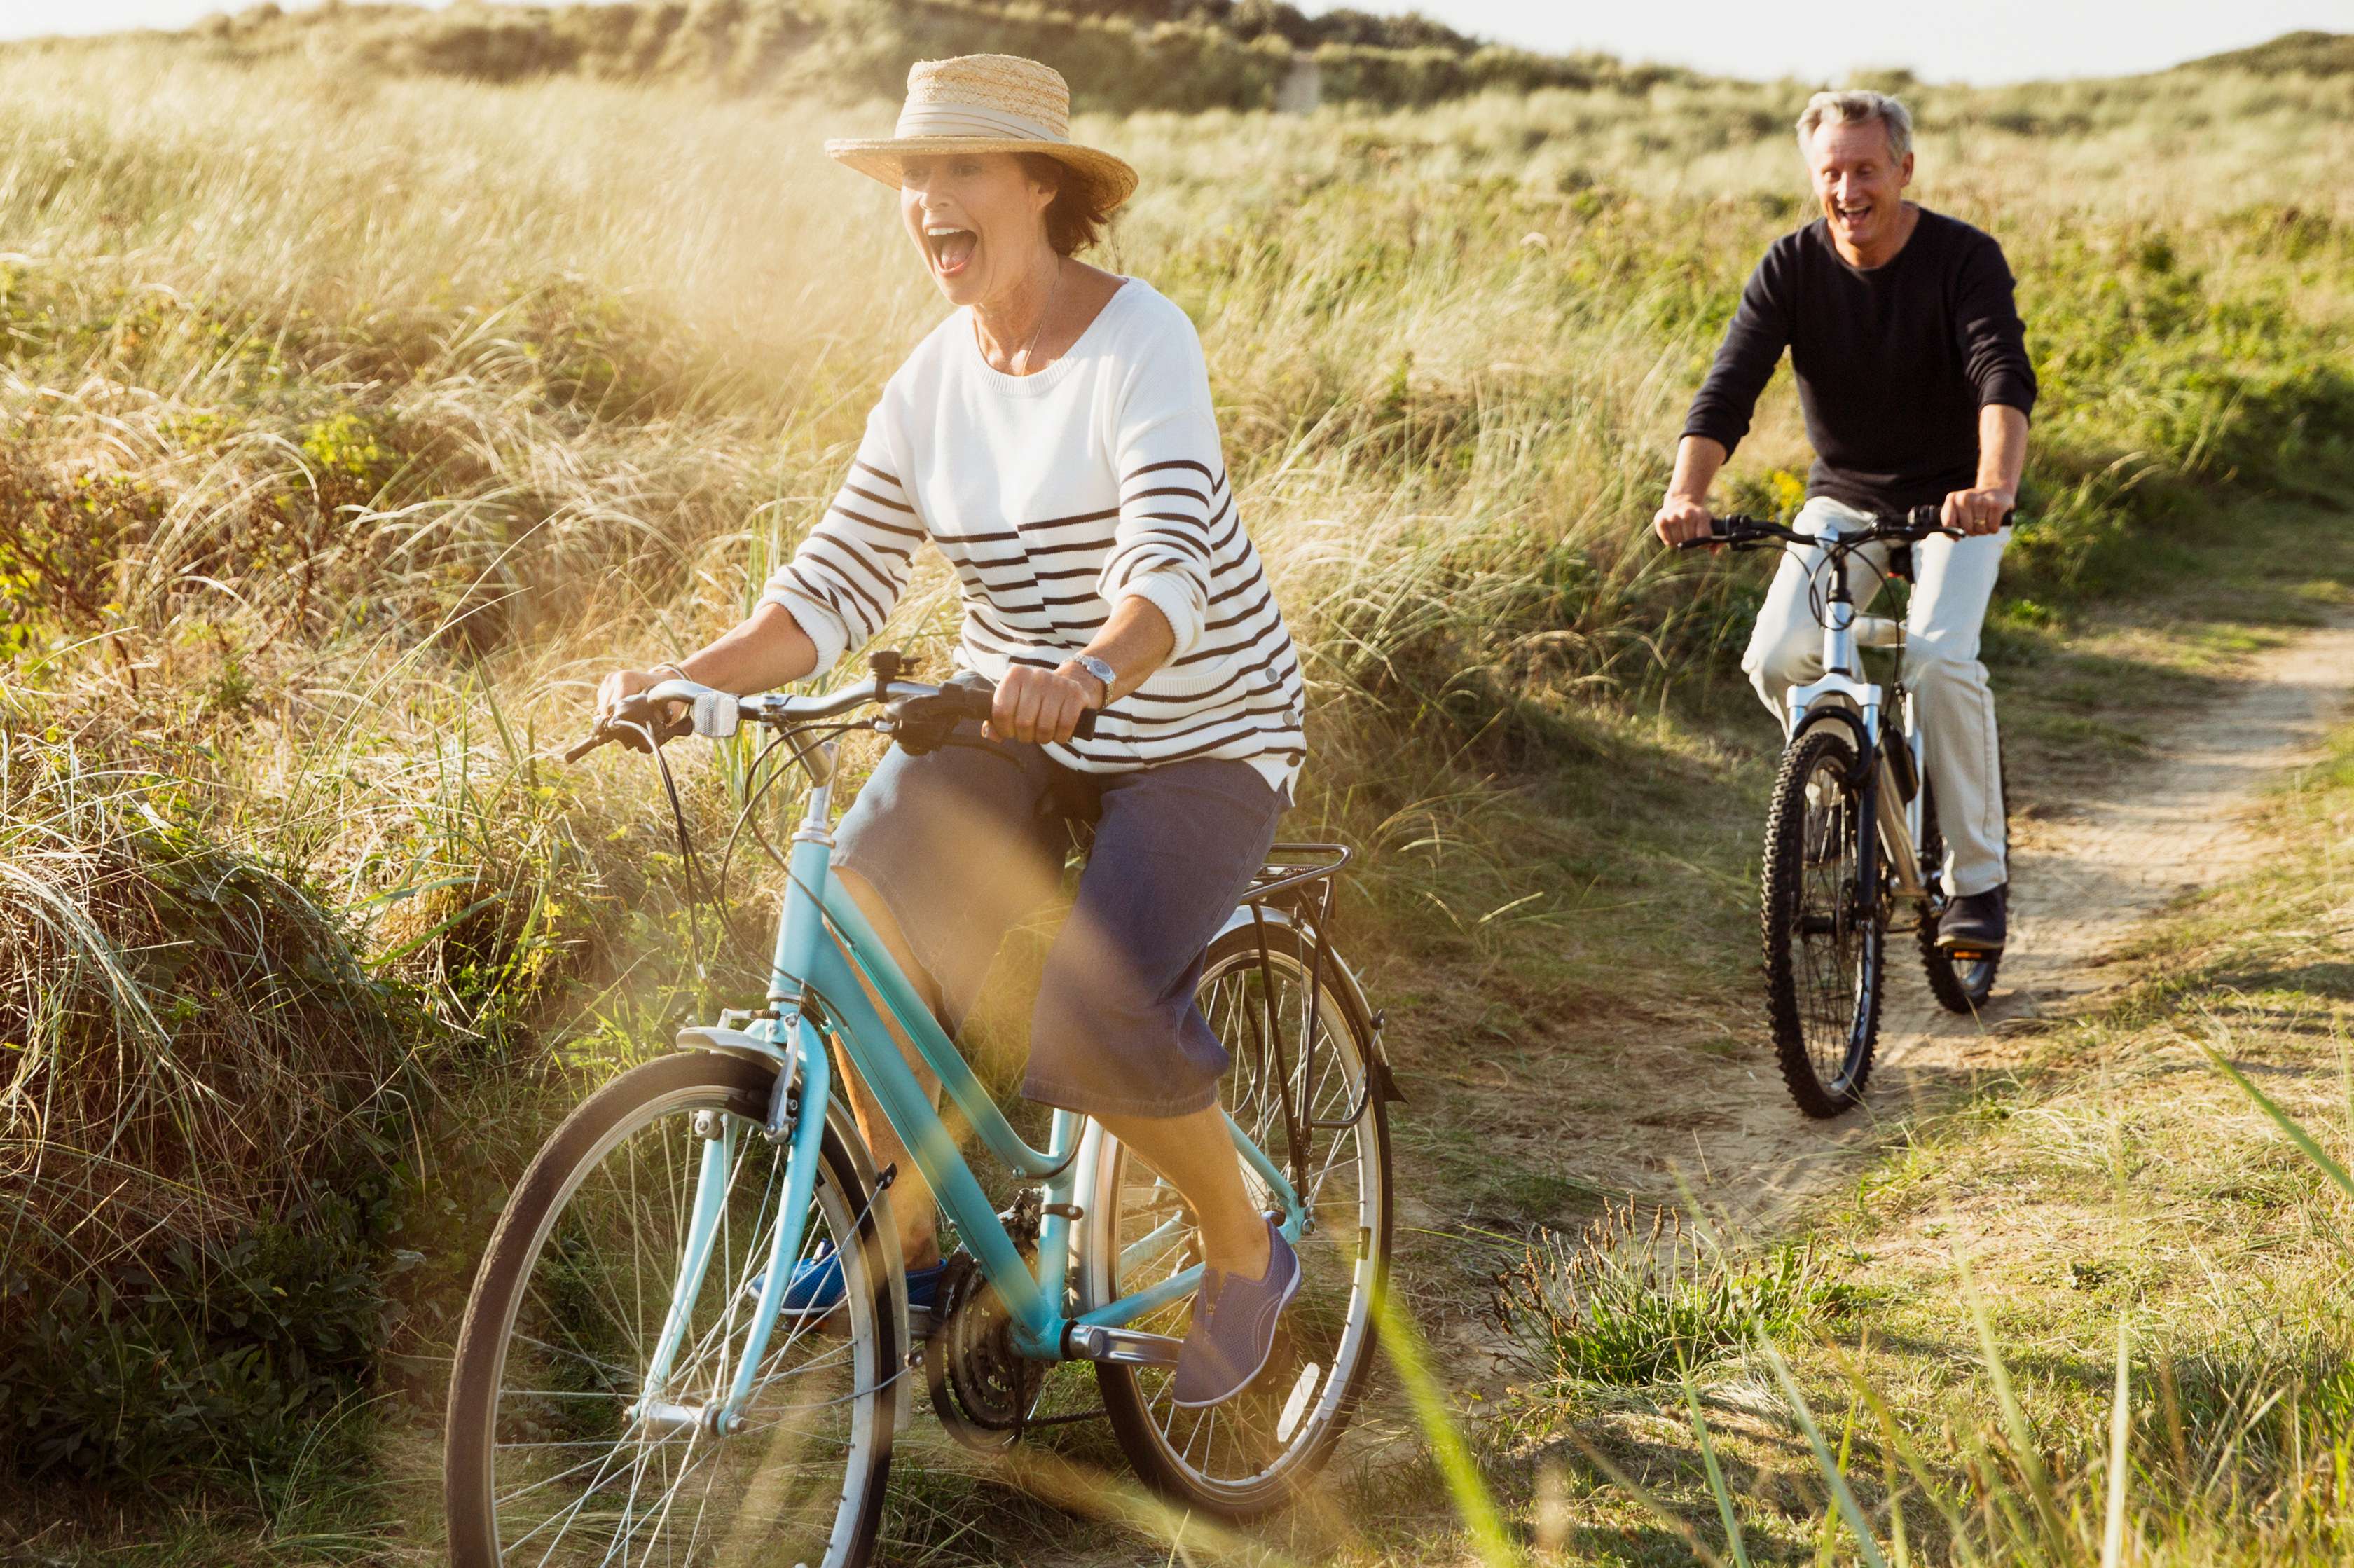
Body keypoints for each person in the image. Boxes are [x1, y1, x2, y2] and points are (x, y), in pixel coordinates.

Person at [596, 55, 1307, 1408]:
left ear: (1043, 187)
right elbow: (833, 583)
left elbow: (1169, 564)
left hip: (1197, 728)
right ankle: (911, 1241)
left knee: (1093, 1010)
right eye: (915, 177)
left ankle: (1240, 1242)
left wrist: (1094, 669)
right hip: (1016, 713)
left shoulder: (1141, 342)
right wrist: (683, 676)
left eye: (960, 169)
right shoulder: (932, 381)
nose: (928, 201)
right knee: (856, 895)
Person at [1652, 89, 2035, 953]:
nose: (1849, 188)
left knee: (1938, 656)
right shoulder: (1790, 266)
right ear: (1813, 176)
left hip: (1955, 502)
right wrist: (1688, 496)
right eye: (1832, 171)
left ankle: (1977, 884)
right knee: (1777, 653)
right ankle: (1848, 792)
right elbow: (1729, 388)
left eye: (1866, 168)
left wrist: (1992, 486)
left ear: (1904, 168)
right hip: (1847, 495)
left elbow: (2001, 375)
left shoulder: (1962, 258)